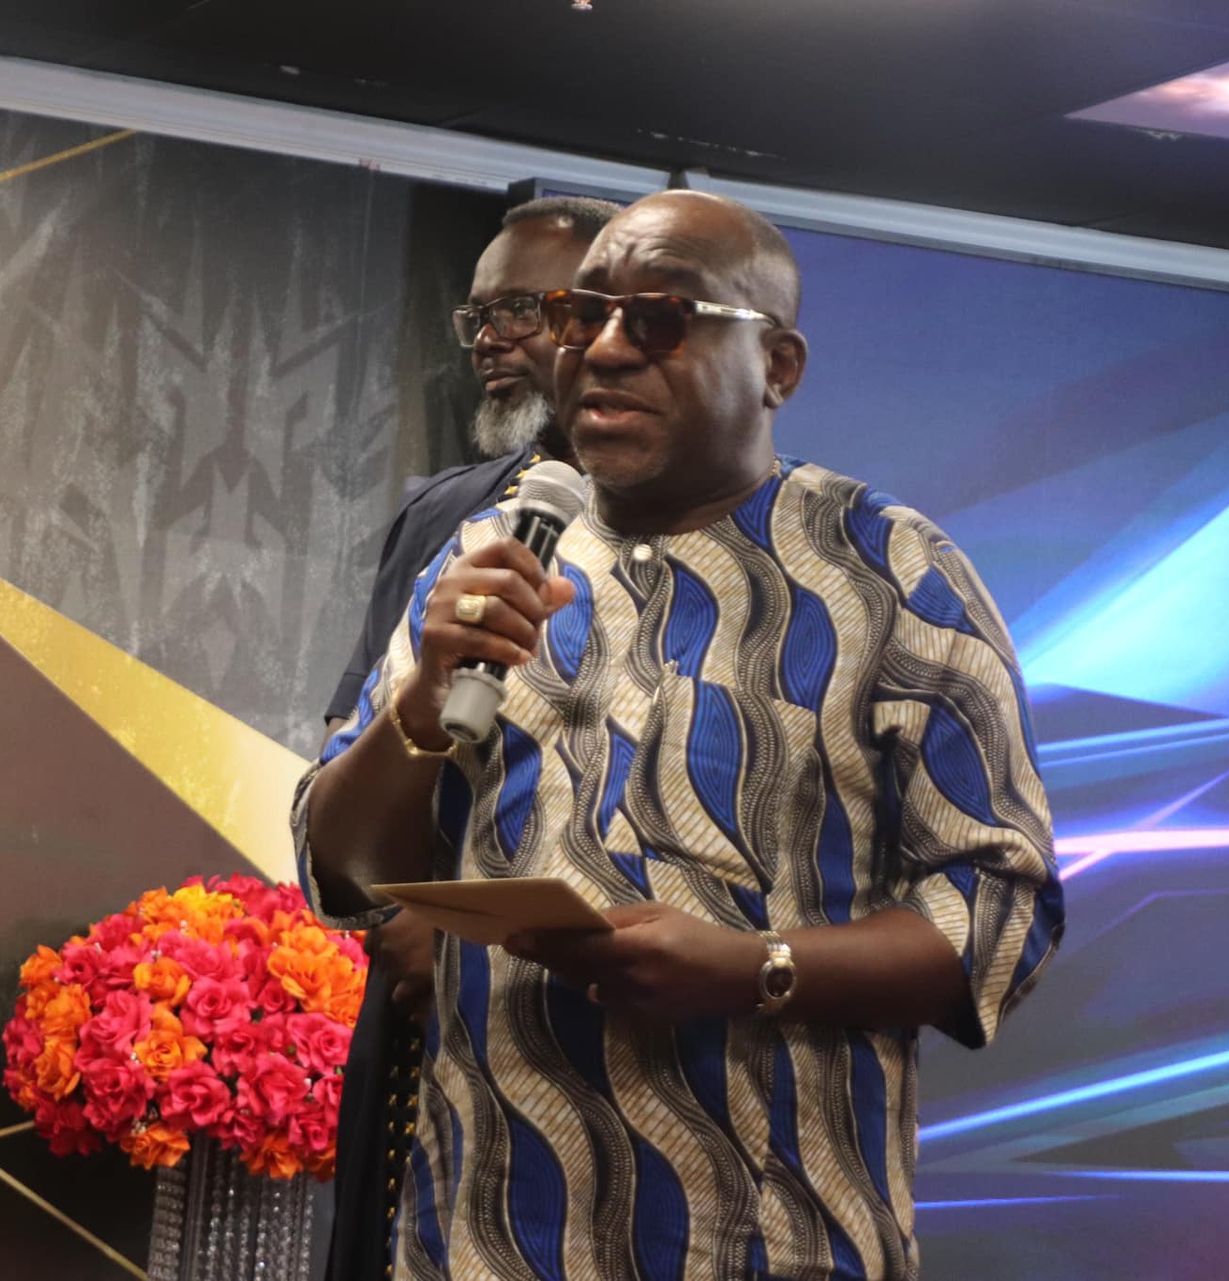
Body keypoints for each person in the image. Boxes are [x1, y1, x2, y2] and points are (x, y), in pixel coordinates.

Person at [294, 190, 1063, 1280]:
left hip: (770, 1243)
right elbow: (338, 870)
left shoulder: (892, 572)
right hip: (477, 1241)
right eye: (581, 315)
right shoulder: (484, 557)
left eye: (660, 320)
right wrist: (415, 717)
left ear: (778, 367)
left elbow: (1003, 907)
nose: (603, 351)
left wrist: (758, 969)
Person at [319, 194, 619, 1281]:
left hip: (598, 1012)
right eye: (478, 312)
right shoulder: (441, 510)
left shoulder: (706, 525)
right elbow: (350, 737)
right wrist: (405, 911)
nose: (492, 336)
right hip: (416, 1001)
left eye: (525, 308)